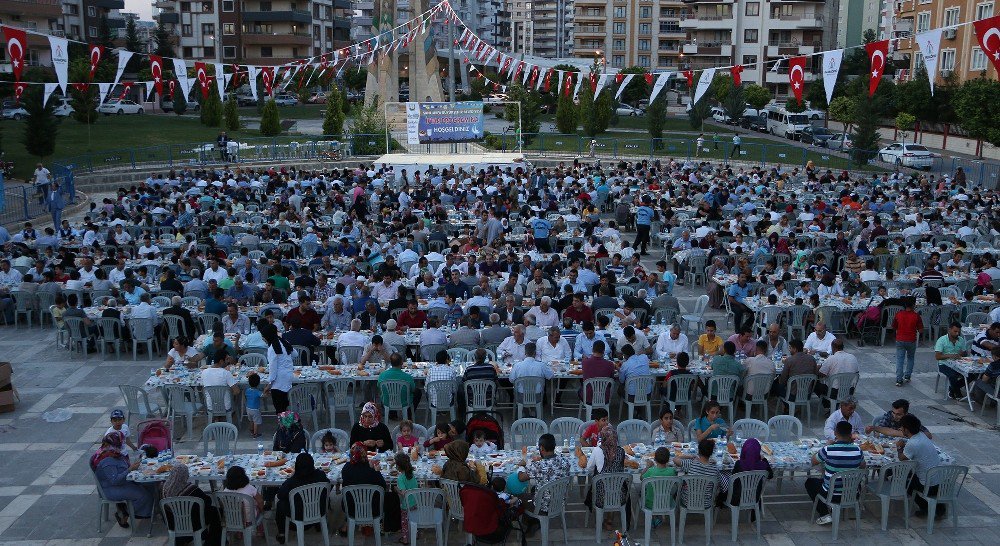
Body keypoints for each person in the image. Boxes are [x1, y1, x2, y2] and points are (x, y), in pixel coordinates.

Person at [806, 421, 865, 525]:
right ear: (850, 434)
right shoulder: (858, 450)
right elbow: (862, 466)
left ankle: (824, 514)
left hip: (832, 494)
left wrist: (826, 447)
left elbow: (813, 461)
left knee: (810, 482)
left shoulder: (828, 450)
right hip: (852, 494)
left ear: (836, 433)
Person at [580, 426, 638, 531]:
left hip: (601, 495)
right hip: (619, 494)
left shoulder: (597, 450)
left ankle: (601, 518)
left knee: (601, 481)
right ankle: (609, 520)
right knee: (614, 484)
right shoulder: (621, 451)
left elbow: (589, 469)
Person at [91, 432, 155, 526]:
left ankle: (150, 509)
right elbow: (115, 480)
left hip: (122, 482)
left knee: (150, 485)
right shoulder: (107, 461)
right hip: (110, 488)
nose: (119, 448)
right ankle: (126, 513)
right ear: (107, 445)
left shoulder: (114, 454)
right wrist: (129, 470)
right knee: (141, 494)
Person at [517, 433, 572, 535]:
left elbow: (521, 478)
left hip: (542, 506)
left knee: (521, 496)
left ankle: (529, 524)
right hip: (559, 502)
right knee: (534, 489)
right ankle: (534, 523)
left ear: (541, 448)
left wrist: (521, 466)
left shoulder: (538, 466)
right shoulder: (565, 461)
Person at [275, 452, 330, 544]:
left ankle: (281, 533)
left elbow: (280, 495)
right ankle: (318, 524)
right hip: (319, 510)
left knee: (280, 503)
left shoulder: (292, 481)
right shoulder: (320, 475)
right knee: (322, 495)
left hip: (298, 514)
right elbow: (328, 485)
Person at [896, 414, 944, 518]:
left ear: (906, 429)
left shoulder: (913, 444)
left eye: (902, 427)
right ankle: (940, 508)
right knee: (912, 475)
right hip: (939, 480)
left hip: (928, 485)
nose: (900, 429)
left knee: (906, 483)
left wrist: (899, 447)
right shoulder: (922, 435)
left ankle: (926, 508)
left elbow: (901, 458)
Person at [161, 464, 222, 545]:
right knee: (216, 512)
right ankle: (212, 542)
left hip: (172, 523)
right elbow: (207, 501)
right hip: (192, 523)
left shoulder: (163, 488)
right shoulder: (191, 489)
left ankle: (183, 538)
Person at [729, 438, 774, 519]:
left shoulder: (739, 464)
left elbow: (732, 481)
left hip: (737, 498)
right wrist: (764, 459)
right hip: (755, 497)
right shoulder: (762, 465)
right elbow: (770, 475)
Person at [222, 466, 264, 537]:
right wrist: (262, 510)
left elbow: (224, 505)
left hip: (232, 519)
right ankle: (260, 531)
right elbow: (260, 501)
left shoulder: (225, 491)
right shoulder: (250, 488)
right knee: (258, 507)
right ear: (243, 477)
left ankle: (239, 533)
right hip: (249, 519)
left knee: (235, 509)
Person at [263, 328, 297, 413]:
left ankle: (283, 425)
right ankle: (286, 425)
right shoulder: (284, 342)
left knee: (279, 410)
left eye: (263, 337)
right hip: (288, 376)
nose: (263, 339)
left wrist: (269, 385)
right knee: (284, 407)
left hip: (279, 381)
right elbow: (295, 354)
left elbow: (273, 369)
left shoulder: (272, 348)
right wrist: (286, 361)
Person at [892, 297, 923, 385]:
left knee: (899, 359)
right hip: (911, 340)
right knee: (910, 358)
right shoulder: (916, 316)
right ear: (913, 305)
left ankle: (899, 379)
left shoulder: (899, 314)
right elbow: (921, 330)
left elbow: (894, 326)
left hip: (900, 339)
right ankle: (907, 376)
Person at [935, 322, 970, 400]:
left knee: (971, 375)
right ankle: (956, 392)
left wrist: (963, 353)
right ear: (949, 330)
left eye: (958, 332)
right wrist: (950, 355)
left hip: (958, 363)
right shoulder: (942, 340)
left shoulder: (960, 340)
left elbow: (965, 353)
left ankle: (952, 389)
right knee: (953, 375)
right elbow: (937, 356)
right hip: (944, 364)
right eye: (955, 331)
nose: (957, 333)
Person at [866, 398, 933, 439]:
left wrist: (909, 434)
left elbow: (929, 435)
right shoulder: (889, 415)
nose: (894, 416)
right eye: (893, 413)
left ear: (906, 413)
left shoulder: (910, 419)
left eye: (898, 414)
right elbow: (879, 432)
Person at [201, 351, 239, 417]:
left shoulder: (204, 372)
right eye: (227, 359)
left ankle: (216, 418)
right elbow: (237, 391)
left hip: (210, 406)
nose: (228, 361)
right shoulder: (226, 373)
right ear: (221, 361)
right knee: (236, 395)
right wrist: (229, 394)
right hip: (225, 407)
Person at [395, 452, 419, 543]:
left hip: (406, 505)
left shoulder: (401, 478)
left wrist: (396, 489)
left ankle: (405, 539)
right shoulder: (411, 474)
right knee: (414, 520)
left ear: (398, 467)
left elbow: (404, 493)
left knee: (405, 523)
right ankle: (415, 534)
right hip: (415, 502)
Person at [245, 374, 263, 439]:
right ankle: (255, 434)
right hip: (255, 409)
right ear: (258, 383)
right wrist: (267, 390)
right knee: (256, 422)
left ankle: (251, 430)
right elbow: (264, 395)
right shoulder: (258, 392)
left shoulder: (247, 390)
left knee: (251, 420)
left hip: (248, 408)